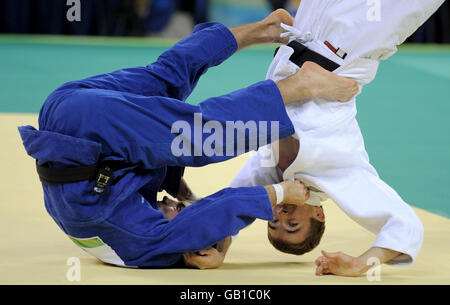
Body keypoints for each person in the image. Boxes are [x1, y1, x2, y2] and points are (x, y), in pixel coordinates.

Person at [18, 10, 358, 269]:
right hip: (62, 108)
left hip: (87, 128)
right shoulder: (111, 233)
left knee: (199, 137)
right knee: (165, 79)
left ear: (192, 248)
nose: (169, 203)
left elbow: (204, 218)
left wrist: (279, 193)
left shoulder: (144, 244)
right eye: (174, 204)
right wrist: (181, 192)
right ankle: (265, 30)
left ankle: (299, 85)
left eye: (175, 210)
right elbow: (125, 181)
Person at [230, 0, 445, 276]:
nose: (281, 216)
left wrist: (220, 246)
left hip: (309, 24)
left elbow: (231, 208)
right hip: (357, 39)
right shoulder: (339, 177)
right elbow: (406, 227)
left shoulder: (266, 171)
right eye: (292, 225)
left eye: (272, 223)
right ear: (318, 214)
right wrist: (361, 265)